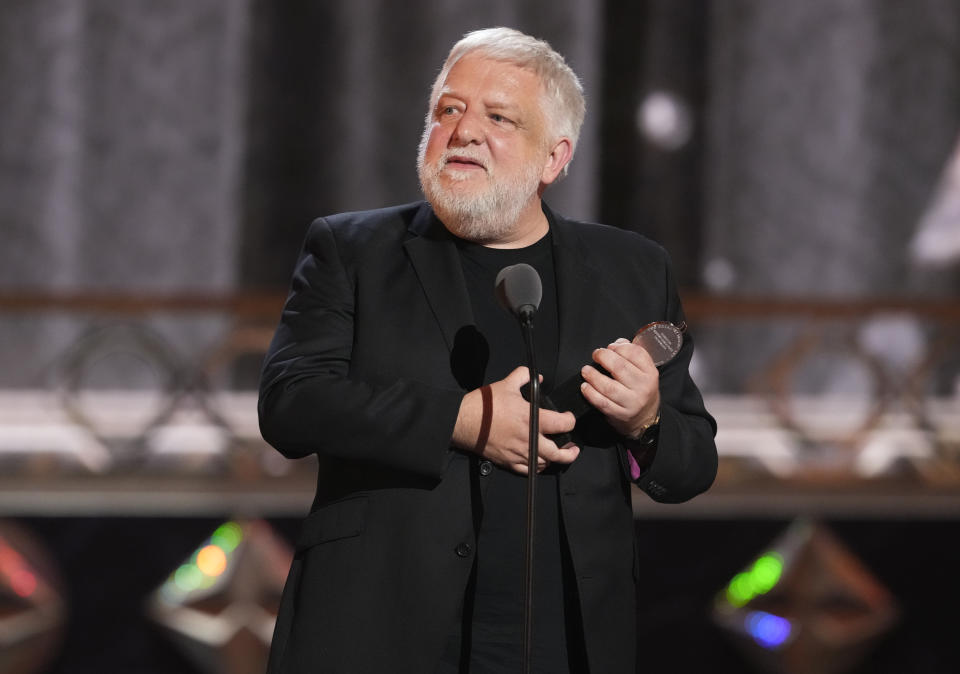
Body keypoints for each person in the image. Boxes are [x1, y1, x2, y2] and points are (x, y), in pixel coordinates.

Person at [259, 27, 717, 674]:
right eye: (448, 109)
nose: (464, 131)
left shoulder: (633, 270)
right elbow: (291, 405)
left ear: (554, 159)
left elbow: (690, 465)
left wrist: (645, 422)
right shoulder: (354, 250)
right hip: (381, 631)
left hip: (561, 639)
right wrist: (466, 421)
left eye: (498, 117)